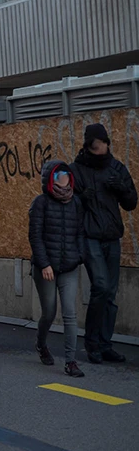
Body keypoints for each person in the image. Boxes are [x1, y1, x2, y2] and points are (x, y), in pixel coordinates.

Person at [70, 123, 137, 364]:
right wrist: (80, 198)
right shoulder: (76, 170)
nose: (99, 151)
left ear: (107, 144)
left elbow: (131, 202)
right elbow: (65, 202)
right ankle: (92, 343)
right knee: (100, 285)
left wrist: (121, 189)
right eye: (95, 148)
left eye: (102, 147)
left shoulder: (116, 168)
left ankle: (104, 343)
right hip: (90, 236)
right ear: (88, 147)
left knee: (109, 292)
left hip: (111, 236)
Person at [29, 161, 85, 377]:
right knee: (50, 312)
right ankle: (41, 344)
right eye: (58, 175)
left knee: (70, 313)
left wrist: (79, 256)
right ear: (50, 178)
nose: (63, 178)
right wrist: (44, 264)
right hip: (46, 268)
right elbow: (35, 236)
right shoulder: (40, 203)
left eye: (66, 174)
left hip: (69, 266)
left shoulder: (76, 203)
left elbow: (80, 232)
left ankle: (71, 361)